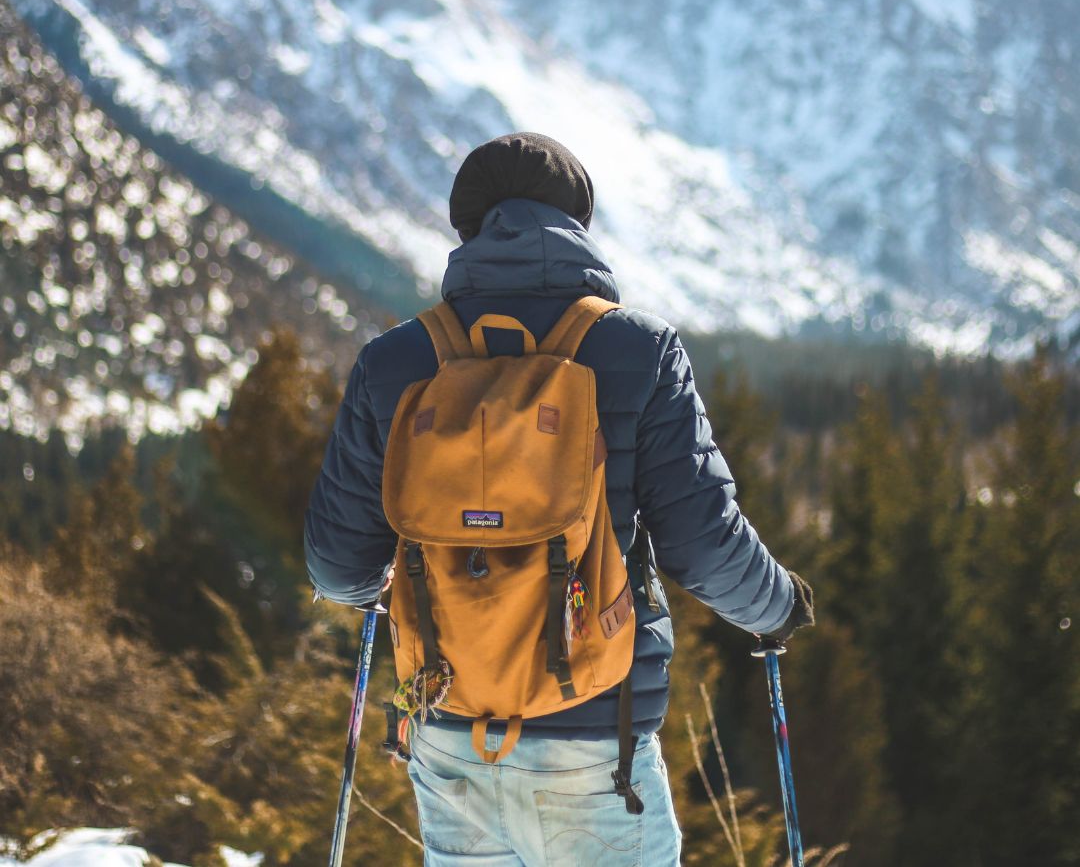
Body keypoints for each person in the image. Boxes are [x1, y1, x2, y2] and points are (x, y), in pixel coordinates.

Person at [305, 132, 814, 866]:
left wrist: (390, 582)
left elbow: (337, 567)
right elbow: (703, 543)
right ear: (576, 224)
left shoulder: (396, 363)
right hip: (596, 738)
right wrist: (777, 608)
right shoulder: (639, 351)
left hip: (451, 733)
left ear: (468, 227)